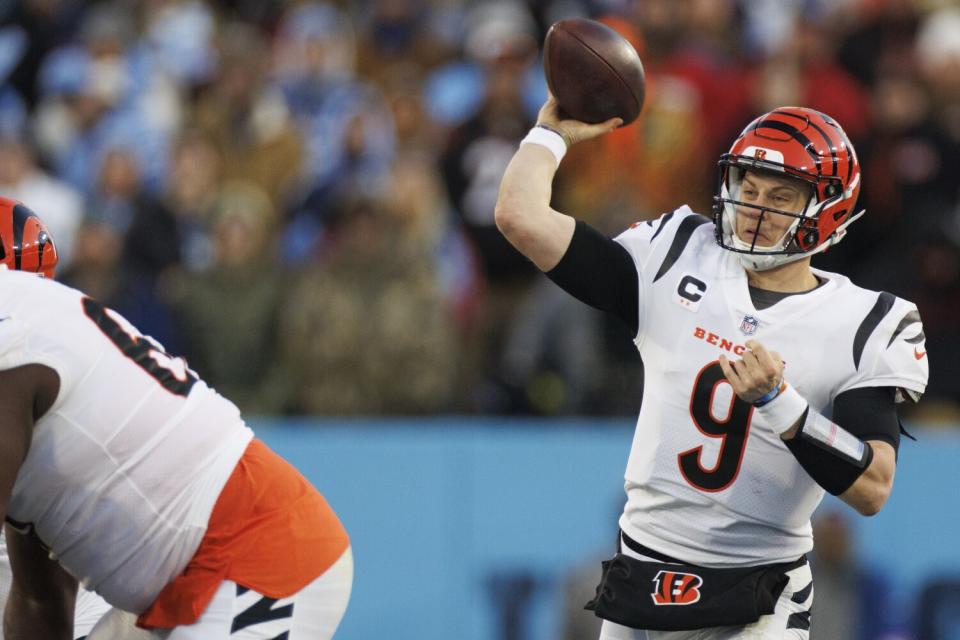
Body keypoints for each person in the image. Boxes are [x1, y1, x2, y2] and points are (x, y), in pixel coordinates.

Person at [495, 98, 928, 638]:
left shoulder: (865, 321)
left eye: (780, 195)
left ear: (827, 209)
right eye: (748, 187)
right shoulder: (677, 255)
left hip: (757, 594)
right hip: (641, 576)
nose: (754, 207)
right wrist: (548, 135)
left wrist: (781, 405)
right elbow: (520, 216)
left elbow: (873, 487)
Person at [0, 198, 352, 638]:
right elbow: (42, 602)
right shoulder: (34, 334)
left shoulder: (14, 340)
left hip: (262, 558)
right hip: (192, 577)